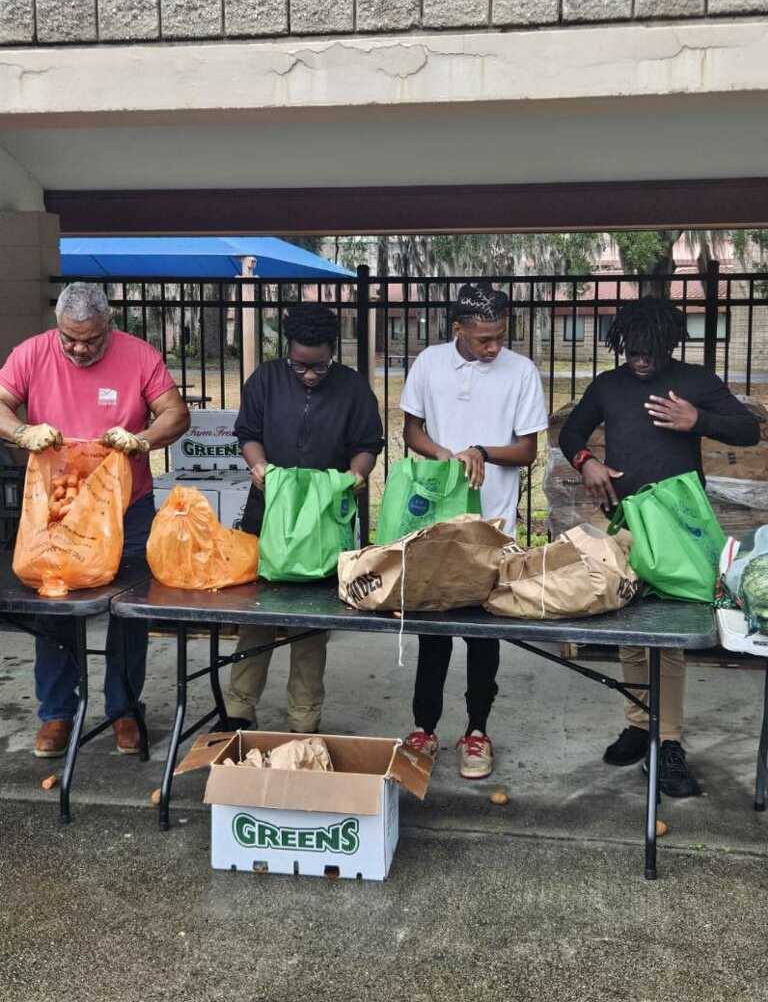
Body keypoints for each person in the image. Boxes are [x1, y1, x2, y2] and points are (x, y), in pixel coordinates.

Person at [560, 296, 760, 797]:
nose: (640, 359)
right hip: (625, 525)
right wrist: (587, 462)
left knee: (669, 638)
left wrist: (700, 420)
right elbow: (572, 431)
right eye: (631, 350)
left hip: (680, 530)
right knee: (629, 628)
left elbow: (748, 430)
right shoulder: (609, 384)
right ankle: (638, 723)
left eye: (649, 351)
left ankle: (667, 741)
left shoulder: (696, 382)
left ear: (669, 344)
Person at [0, 282, 190, 758]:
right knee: (55, 607)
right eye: (70, 339)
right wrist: (23, 431)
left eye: (91, 339)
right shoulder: (31, 354)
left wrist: (141, 440)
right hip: (56, 510)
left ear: (109, 325)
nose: (80, 348)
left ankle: (124, 710)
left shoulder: (139, 356)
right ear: (57, 327)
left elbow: (176, 414)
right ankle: (57, 714)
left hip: (127, 506)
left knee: (129, 611)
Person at [399, 282, 548, 779]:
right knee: (433, 631)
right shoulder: (429, 364)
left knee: (485, 634)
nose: (493, 347)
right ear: (458, 328)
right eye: (484, 338)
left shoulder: (521, 372)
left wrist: (480, 451)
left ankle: (477, 731)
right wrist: (447, 457)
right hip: (437, 521)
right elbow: (411, 431)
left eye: (500, 336)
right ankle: (423, 729)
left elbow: (526, 450)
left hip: (494, 523)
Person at [219, 302, 384, 733]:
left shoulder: (352, 388)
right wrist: (258, 468)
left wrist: (355, 475)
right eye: (299, 366)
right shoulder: (265, 381)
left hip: (324, 520)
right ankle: (238, 709)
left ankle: (303, 717)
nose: (309, 375)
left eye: (319, 367)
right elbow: (248, 433)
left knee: (311, 620)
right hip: (267, 511)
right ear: (287, 350)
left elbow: (368, 441)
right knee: (258, 616)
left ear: (333, 352)